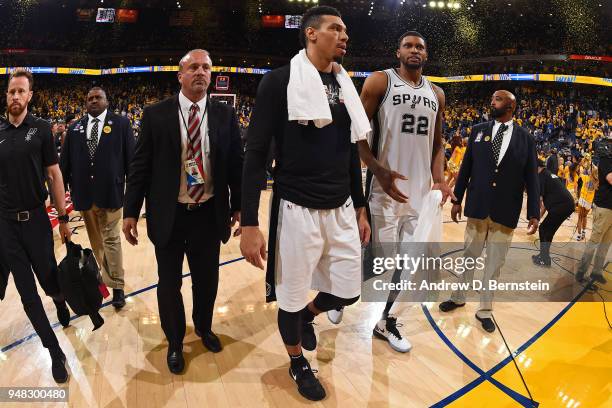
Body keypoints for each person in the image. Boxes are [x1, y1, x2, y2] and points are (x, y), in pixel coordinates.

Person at [240, 6, 370, 401]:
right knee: (291, 299)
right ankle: (297, 361)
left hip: (341, 206)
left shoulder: (346, 85)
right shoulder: (278, 82)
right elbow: (256, 152)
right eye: (336, 28)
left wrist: (361, 205)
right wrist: (249, 223)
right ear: (311, 34)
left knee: (349, 291)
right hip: (295, 207)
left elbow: (350, 153)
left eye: (346, 29)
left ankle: (311, 317)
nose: (345, 35)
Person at [122, 49, 243, 374]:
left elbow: (235, 164)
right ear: (180, 75)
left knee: (207, 281)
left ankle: (203, 327)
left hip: (207, 214)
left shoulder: (223, 115)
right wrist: (130, 211)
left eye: (206, 67)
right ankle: (175, 341)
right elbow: (140, 166)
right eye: (193, 67)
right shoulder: (155, 114)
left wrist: (240, 206)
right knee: (169, 282)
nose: (200, 72)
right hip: (169, 214)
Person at [335, 31, 453, 353]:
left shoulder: (437, 94)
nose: (414, 50)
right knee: (376, 263)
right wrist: (378, 170)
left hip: (418, 196)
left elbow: (438, 144)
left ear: (426, 55)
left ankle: (386, 322)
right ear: (398, 52)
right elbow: (357, 134)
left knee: (407, 265)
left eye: (420, 47)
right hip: (383, 191)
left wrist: (439, 181)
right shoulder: (379, 82)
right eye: (409, 46)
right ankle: (338, 293)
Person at [441, 90, 540, 333]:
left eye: (497, 99)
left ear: (511, 106)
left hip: (506, 210)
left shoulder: (525, 138)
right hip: (477, 205)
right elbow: (466, 168)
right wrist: (457, 199)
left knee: (494, 264)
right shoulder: (478, 130)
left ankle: (484, 309)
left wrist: (534, 212)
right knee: (468, 257)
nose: (492, 101)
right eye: (492, 97)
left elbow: (532, 178)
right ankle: (458, 296)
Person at [0, 69, 72, 382]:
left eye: (21, 92)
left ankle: (59, 300)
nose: (15, 96)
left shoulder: (42, 129)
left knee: (49, 281)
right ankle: (55, 351)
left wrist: (64, 218)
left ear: (30, 96)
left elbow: (55, 175)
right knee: (28, 295)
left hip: (37, 222)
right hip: (7, 227)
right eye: (11, 91)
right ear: (6, 95)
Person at [60, 87, 135, 309]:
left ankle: (117, 287)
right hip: (85, 196)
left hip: (111, 194)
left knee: (111, 239)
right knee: (96, 243)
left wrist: (133, 198)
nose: (93, 101)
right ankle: (105, 277)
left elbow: (131, 162)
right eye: (90, 98)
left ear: (106, 101)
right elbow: (64, 165)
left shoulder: (121, 124)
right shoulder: (74, 128)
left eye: (98, 97)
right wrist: (60, 198)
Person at [576, 138, 611, 284]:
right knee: (595, 241)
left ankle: (597, 271)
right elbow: (610, 178)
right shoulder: (606, 160)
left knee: (605, 243)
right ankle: (581, 271)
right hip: (604, 208)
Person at [532, 159, 575, 266]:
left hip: (562, 205)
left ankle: (544, 259)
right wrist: (539, 217)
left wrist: (536, 219)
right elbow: (546, 202)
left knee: (543, 229)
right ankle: (544, 257)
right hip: (567, 204)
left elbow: (540, 200)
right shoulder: (548, 174)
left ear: (537, 167)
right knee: (549, 231)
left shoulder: (541, 176)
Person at [576, 159, 597, 241]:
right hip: (589, 201)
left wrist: (585, 162)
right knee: (585, 217)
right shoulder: (596, 181)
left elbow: (580, 171)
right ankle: (584, 232)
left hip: (582, 200)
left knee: (579, 218)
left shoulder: (585, 177)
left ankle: (579, 234)